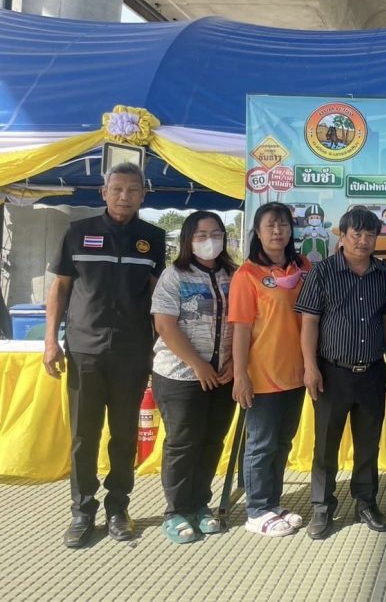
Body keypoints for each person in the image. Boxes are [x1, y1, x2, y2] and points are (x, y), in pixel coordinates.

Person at [42, 162, 166, 548]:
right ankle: (82, 511)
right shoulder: (78, 233)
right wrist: (50, 341)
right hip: (85, 349)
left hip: (133, 352)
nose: (124, 196)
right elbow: (60, 289)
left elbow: (159, 296)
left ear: (143, 195)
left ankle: (118, 508)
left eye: (133, 190)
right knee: (84, 435)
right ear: (104, 192)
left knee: (124, 435)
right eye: (117, 189)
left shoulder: (153, 238)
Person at [296, 207, 386, 539]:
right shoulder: (322, 272)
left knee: (368, 443)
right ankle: (322, 507)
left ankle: (366, 503)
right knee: (325, 445)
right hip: (331, 373)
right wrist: (310, 367)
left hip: (372, 372)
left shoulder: (384, 274)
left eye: (370, 234)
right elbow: (309, 322)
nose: (363, 241)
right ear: (342, 236)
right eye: (356, 234)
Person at [150, 211, 236, 544]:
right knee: (183, 443)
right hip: (180, 375)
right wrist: (197, 364)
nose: (209, 240)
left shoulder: (235, 275)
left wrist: (234, 363)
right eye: (201, 235)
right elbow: (164, 325)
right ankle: (175, 510)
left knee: (212, 440)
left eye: (216, 234)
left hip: (223, 376)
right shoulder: (174, 275)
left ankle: (200, 504)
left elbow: (246, 323)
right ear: (188, 239)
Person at [229, 201, 311, 537]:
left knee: (282, 442)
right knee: (261, 444)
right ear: (258, 233)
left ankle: (273, 504)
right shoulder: (247, 274)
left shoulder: (304, 267)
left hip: (297, 373)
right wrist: (240, 375)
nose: (277, 231)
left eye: (283, 225)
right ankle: (257, 510)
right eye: (270, 226)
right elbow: (241, 329)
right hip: (262, 375)